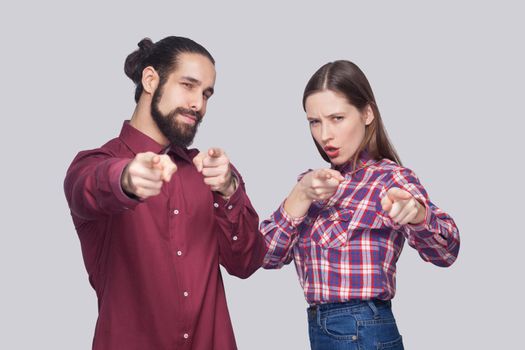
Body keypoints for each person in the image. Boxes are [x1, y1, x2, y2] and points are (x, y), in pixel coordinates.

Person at [64, 36, 266, 350]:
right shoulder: (94, 164)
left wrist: (229, 190)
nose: (199, 104)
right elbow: (90, 186)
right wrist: (127, 180)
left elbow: (246, 261)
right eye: (188, 85)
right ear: (150, 80)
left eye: (206, 93)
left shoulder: (211, 170)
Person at [260, 60, 460, 349]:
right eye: (314, 121)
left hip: (363, 331)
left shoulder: (388, 179)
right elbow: (265, 256)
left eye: (337, 118)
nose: (324, 134)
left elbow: (448, 251)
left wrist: (418, 215)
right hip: (323, 331)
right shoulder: (312, 184)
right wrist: (300, 196)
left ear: (367, 113)